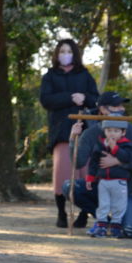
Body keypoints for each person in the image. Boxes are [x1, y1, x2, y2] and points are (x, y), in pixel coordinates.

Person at [66, 91, 132, 238]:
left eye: (121, 105)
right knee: (69, 187)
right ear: (103, 110)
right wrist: (72, 138)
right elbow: (78, 163)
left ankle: (118, 222)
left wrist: (117, 161)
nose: (121, 109)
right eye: (115, 106)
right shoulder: (91, 133)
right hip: (102, 186)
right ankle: (104, 222)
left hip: (128, 188)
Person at [40, 39, 99, 228]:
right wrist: (69, 97)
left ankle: (83, 213)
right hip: (61, 130)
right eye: (62, 51)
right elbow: (46, 100)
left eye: (69, 51)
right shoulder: (50, 76)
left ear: (75, 53)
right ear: (57, 54)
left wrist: (85, 98)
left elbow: (96, 99)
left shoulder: (84, 74)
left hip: (84, 130)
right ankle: (61, 213)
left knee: (84, 172)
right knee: (62, 172)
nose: (65, 54)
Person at [86, 119, 132, 238]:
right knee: (103, 204)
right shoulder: (100, 144)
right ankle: (101, 227)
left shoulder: (127, 144)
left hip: (119, 181)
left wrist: (115, 148)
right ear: (104, 131)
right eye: (109, 130)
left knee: (119, 205)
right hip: (103, 181)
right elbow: (93, 162)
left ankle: (116, 227)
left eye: (116, 131)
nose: (112, 133)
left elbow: (127, 158)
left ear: (123, 133)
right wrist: (90, 177)